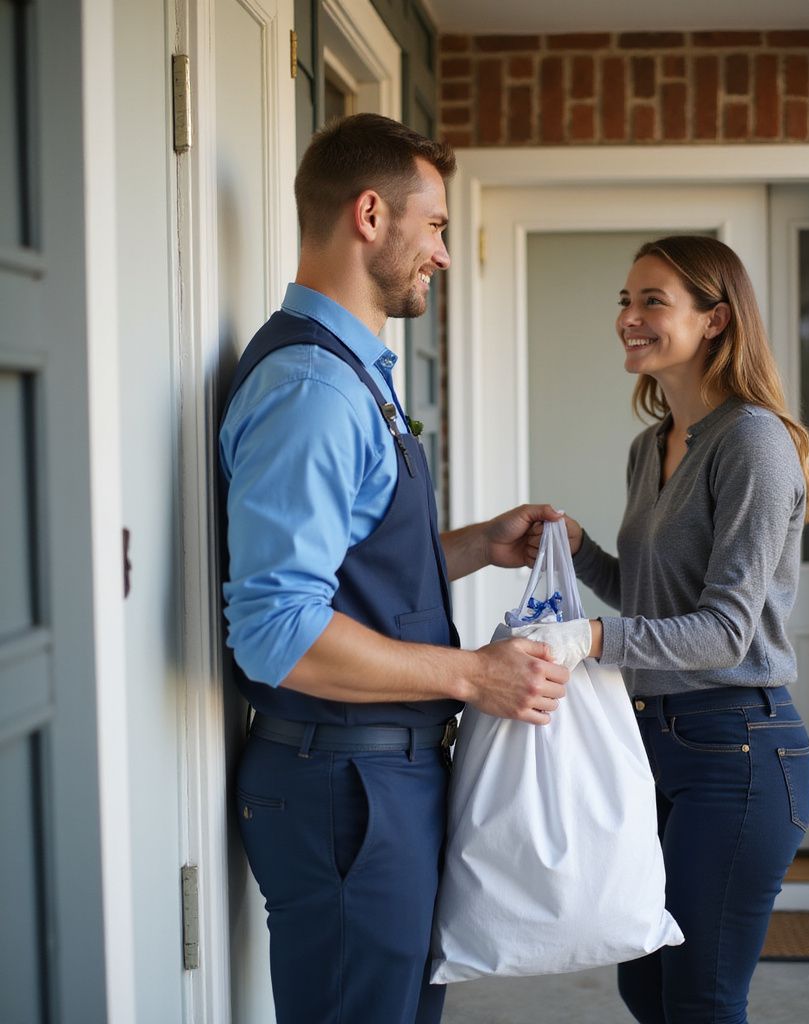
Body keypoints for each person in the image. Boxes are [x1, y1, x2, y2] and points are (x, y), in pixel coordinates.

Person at [218, 113, 569, 1024]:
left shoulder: (355, 373)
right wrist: (474, 675)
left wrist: (475, 545)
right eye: (438, 226)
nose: (443, 255)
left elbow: (350, 567)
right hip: (345, 793)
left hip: (380, 781)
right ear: (371, 215)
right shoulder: (314, 390)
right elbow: (277, 632)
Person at [523, 235, 809, 1024]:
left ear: (716, 319)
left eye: (652, 300)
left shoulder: (753, 442)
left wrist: (591, 641)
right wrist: (579, 550)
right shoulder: (649, 447)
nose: (629, 317)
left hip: (740, 752)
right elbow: (653, 599)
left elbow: (725, 632)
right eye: (625, 301)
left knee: (700, 996)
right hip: (653, 741)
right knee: (642, 983)